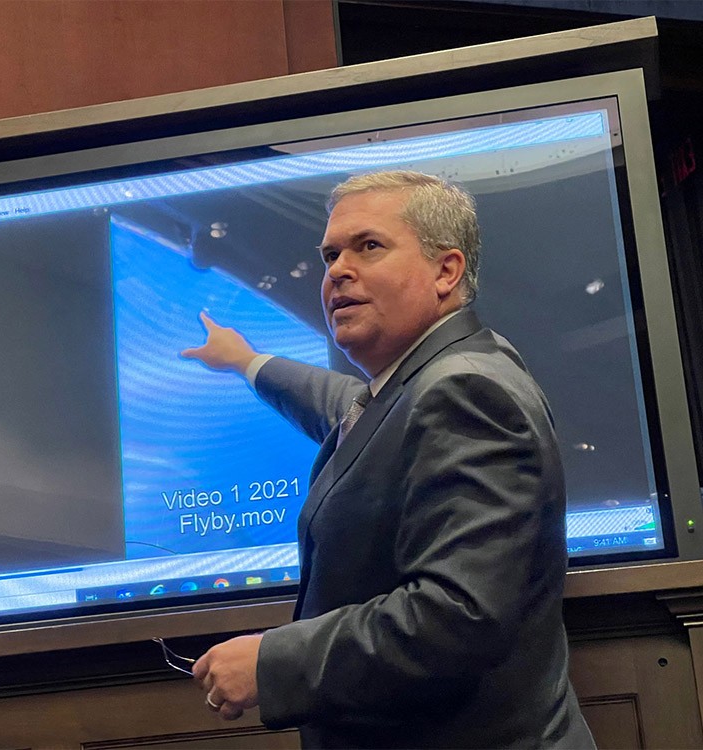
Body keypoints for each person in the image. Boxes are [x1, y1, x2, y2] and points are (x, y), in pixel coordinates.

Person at [180, 171, 595, 748]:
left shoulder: (464, 392)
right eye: (329, 254)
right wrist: (246, 360)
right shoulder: (432, 376)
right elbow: (342, 406)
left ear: (446, 271)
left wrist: (274, 662)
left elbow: (457, 617)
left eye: (368, 246)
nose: (337, 270)